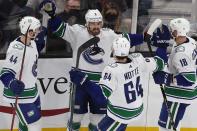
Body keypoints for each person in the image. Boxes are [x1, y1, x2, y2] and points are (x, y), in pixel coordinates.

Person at [40, 1, 144, 130]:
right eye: (92, 23)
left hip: (100, 85)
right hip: (79, 83)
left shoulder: (109, 35)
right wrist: (52, 15)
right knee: (75, 118)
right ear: (87, 23)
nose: (96, 26)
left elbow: (128, 39)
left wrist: (145, 37)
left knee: (97, 120)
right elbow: (59, 28)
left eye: (98, 23)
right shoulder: (77, 32)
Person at [0, 16, 46, 131]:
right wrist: (12, 83)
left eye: (37, 29)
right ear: (26, 31)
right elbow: (5, 73)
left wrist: (41, 41)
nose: (36, 32)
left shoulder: (32, 42)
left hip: (32, 90)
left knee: (25, 123)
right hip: (20, 95)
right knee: (35, 124)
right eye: (34, 30)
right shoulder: (17, 49)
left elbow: (33, 53)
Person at [152, 18, 197, 131]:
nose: (170, 31)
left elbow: (189, 79)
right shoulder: (190, 40)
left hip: (179, 95)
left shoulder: (181, 54)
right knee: (173, 125)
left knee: (166, 127)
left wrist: (167, 78)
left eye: (172, 29)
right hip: (183, 94)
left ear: (177, 32)